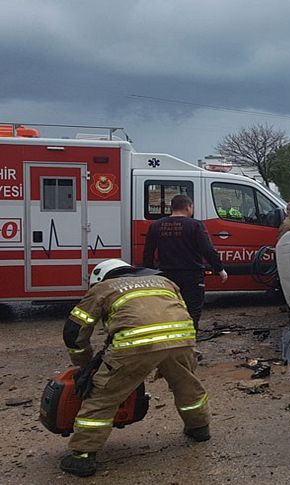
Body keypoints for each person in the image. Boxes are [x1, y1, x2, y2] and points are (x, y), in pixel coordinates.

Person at [59, 259, 210, 477]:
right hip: (181, 338)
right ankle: (199, 428)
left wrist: (85, 365)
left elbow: (74, 332)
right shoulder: (164, 281)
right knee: (187, 386)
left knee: (103, 395)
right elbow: (180, 310)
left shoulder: (102, 289)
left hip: (135, 345)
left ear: (99, 279)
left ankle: (82, 455)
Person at [143, 194, 227, 329]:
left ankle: (172, 337)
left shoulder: (156, 226)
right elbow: (207, 250)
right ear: (188, 207)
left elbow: (148, 253)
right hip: (192, 276)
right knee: (192, 310)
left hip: (166, 276)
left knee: (169, 308)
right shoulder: (195, 225)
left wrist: (148, 273)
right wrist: (220, 269)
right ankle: (189, 339)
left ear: (172, 207)